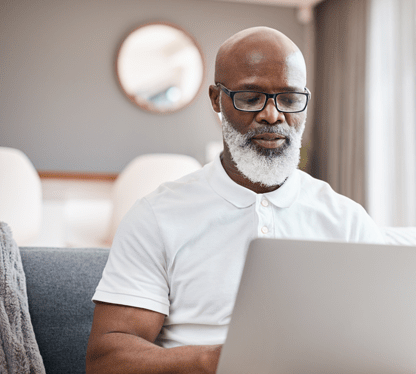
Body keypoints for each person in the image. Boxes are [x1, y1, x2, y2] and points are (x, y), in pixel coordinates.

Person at [86, 27, 385, 374]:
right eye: (251, 97)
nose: (272, 115)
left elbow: (386, 338)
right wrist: (216, 361)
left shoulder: (347, 219)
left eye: (289, 99)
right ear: (216, 99)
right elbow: (105, 360)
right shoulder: (156, 216)